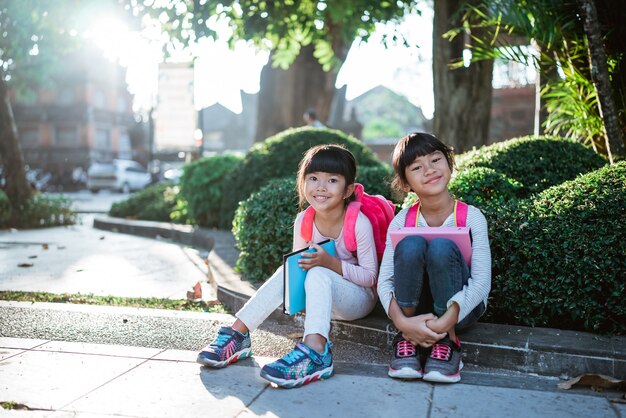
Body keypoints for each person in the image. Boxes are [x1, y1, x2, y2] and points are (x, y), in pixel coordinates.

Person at [197, 144, 378, 388]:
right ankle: (239, 333)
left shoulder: (358, 223)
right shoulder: (304, 220)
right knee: (296, 267)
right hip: (320, 297)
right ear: (303, 183)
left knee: (318, 271)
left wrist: (331, 263)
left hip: (357, 299)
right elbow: (297, 274)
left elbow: (369, 278)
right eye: (313, 178)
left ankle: (317, 353)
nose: (321, 187)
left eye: (332, 180)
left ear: (348, 190)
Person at [377, 132, 491, 383]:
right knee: (410, 244)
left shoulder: (472, 217)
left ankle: (448, 343)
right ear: (405, 183)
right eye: (417, 167)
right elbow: (385, 281)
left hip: (460, 311)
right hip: (412, 310)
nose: (429, 170)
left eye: (435, 160)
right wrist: (402, 323)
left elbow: (482, 282)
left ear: (449, 163)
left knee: (441, 247)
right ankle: (407, 339)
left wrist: (445, 322)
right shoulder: (401, 221)